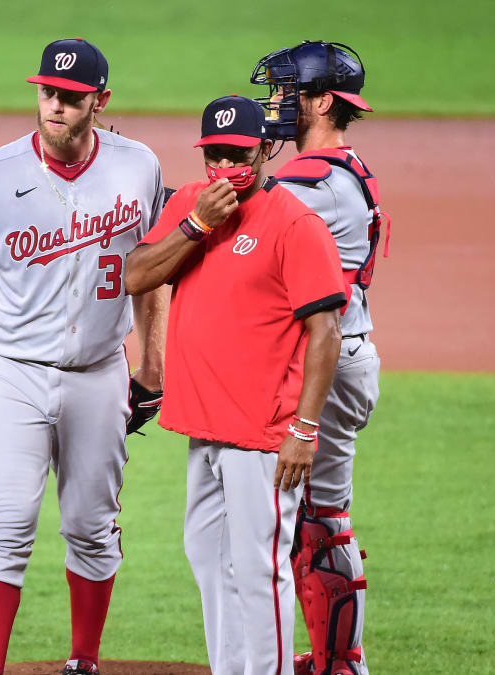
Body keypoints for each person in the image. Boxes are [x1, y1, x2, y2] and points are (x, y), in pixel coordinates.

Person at [0, 38, 169, 675]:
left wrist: (152, 366)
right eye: (48, 93)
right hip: (12, 374)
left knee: (93, 526)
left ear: (100, 101)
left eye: (71, 97)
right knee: (6, 525)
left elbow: (153, 274)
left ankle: (84, 660)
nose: (56, 106)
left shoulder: (139, 166)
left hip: (100, 374)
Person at [124, 95, 345, 675]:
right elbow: (136, 275)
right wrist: (198, 226)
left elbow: (326, 332)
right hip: (204, 426)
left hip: (264, 435)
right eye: (214, 155)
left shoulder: (295, 224)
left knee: (257, 568)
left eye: (237, 154)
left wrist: (304, 426)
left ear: (266, 149)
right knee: (207, 558)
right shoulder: (193, 205)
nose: (224, 167)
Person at [250, 40, 386, 675]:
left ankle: (344, 664)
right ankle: (330, 656)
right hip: (339, 355)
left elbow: (240, 231)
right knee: (310, 519)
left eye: (286, 92)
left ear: (323, 101)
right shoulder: (345, 167)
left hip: (330, 362)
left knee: (323, 521)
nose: (274, 104)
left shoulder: (316, 181)